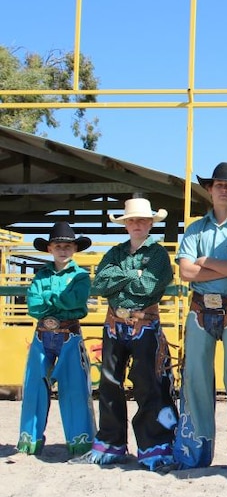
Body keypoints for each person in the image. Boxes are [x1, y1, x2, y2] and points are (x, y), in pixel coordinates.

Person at [80, 198, 178, 470]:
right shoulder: (115, 253)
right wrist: (132, 274)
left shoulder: (158, 255)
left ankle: (153, 444)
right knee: (110, 382)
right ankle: (112, 441)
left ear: (150, 224)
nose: (137, 224)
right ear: (126, 224)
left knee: (148, 382)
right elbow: (100, 284)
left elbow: (150, 287)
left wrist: (120, 280)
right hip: (115, 323)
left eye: (142, 220)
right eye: (132, 220)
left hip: (143, 323)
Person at [172, 162, 227, 469]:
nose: (224, 189)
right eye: (219, 185)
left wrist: (206, 262)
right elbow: (185, 271)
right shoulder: (195, 228)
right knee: (194, 376)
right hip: (201, 309)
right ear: (210, 189)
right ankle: (196, 452)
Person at [17, 222, 96, 457]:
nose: (63, 249)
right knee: (34, 387)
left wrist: (49, 298)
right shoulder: (41, 275)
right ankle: (29, 440)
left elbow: (75, 301)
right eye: (58, 245)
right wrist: (60, 298)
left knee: (75, 388)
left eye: (67, 246)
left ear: (74, 249)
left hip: (69, 335)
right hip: (43, 334)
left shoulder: (81, 276)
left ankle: (79, 441)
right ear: (50, 248)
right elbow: (33, 305)